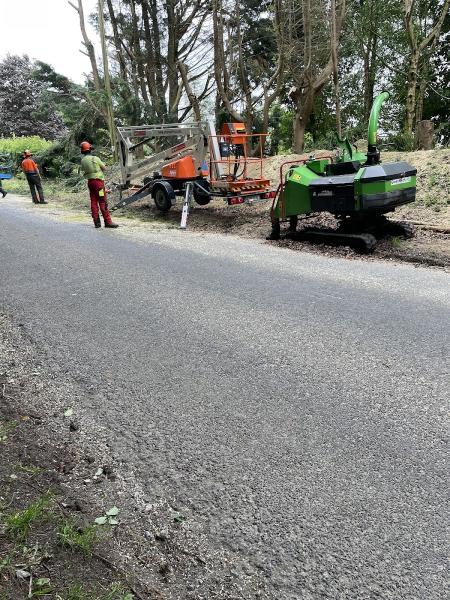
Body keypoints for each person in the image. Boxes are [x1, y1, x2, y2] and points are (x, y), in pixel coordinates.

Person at [80, 141, 118, 229]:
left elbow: (84, 170)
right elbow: (104, 168)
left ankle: (96, 223)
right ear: (90, 149)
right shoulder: (95, 158)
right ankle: (108, 222)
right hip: (99, 183)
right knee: (102, 201)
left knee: (93, 201)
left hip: (90, 183)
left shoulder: (83, 160)